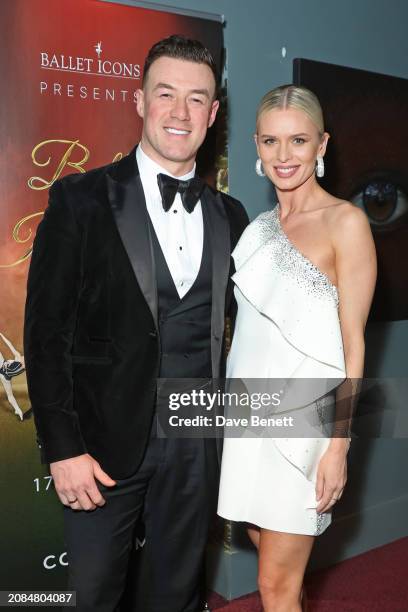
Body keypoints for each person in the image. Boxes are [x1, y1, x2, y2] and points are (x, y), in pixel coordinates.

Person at [24, 35, 248, 612]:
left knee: (175, 594)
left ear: (213, 113)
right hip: (101, 447)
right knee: (91, 596)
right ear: (140, 101)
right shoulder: (80, 199)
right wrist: (62, 447)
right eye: (165, 94)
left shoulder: (231, 214)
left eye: (196, 99)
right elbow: (46, 335)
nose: (180, 112)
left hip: (196, 441)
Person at [217, 85, 376, 611]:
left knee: (274, 588)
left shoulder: (345, 223)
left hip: (305, 424)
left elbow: (354, 343)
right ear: (256, 146)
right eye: (271, 141)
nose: (284, 156)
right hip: (248, 414)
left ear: (322, 144)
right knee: (271, 552)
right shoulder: (258, 229)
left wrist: (339, 445)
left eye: (299, 140)